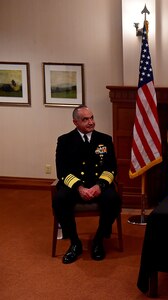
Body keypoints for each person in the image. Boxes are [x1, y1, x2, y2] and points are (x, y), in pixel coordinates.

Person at [52, 105, 121, 264]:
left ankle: (98, 240)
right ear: (75, 122)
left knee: (113, 200)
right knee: (59, 200)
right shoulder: (64, 141)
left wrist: (100, 186)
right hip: (76, 186)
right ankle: (75, 243)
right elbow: (61, 171)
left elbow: (111, 168)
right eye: (85, 119)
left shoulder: (105, 139)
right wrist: (79, 188)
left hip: (98, 185)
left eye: (92, 118)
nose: (91, 122)